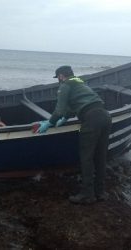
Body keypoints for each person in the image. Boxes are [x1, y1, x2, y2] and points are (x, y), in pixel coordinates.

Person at [36, 65, 112, 204]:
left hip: (91, 119)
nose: (58, 80)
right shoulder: (80, 83)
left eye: (58, 78)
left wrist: (50, 123)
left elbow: (58, 110)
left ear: (60, 76)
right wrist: (65, 118)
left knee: (86, 158)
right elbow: (74, 105)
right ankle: (100, 193)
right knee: (100, 157)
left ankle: (87, 195)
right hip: (105, 116)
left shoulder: (65, 86)